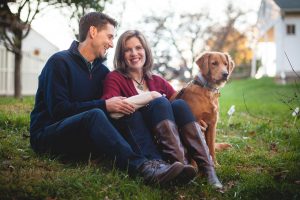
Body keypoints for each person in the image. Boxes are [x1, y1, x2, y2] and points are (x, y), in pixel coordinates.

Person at [29, 12, 187, 185]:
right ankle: (141, 167)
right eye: (110, 37)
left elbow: (113, 111)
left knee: (126, 109)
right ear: (93, 32)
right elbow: (58, 110)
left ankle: (158, 164)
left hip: (84, 139)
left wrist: (120, 106)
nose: (112, 44)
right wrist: (104, 105)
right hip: (48, 137)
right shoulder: (59, 62)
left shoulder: (102, 72)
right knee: (96, 114)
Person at [101, 30, 223, 189]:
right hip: (141, 140)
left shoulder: (156, 80)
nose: (134, 53)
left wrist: (195, 121)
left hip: (167, 141)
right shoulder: (115, 78)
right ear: (121, 55)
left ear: (145, 51)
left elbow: (181, 105)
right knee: (160, 102)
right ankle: (181, 165)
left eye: (138, 48)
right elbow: (110, 109)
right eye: (127, 50)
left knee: (179, 105)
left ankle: (208, 169)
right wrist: (151, 96)